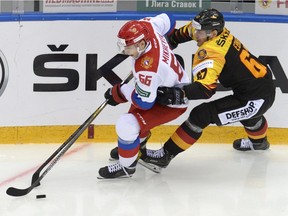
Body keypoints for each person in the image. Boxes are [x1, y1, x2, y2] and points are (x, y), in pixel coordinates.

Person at [140, 8, 276, 171]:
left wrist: (179, 94)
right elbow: (188, 31)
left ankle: (165, 155)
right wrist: (170, 41)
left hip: (255, 99)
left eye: (199, 32)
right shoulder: (215, 31)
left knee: (201, 115)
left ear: (212, 33)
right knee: (250, 117)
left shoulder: (211, 51)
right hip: (262, 84)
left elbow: (205, 90)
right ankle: (260, 143)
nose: (195, 33)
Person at [98, 13, 190, 179]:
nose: (125, 50)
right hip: (163, 86)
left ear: (141, 43)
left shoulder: (148, 69)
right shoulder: (147, 26)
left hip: (171, 102)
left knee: (126, 124)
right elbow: (170, 18)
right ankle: (135, 148)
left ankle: (127, 167)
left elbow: (144, 103)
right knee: (134, 118)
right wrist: (167, 41)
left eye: (129, 47)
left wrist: (119, 92)